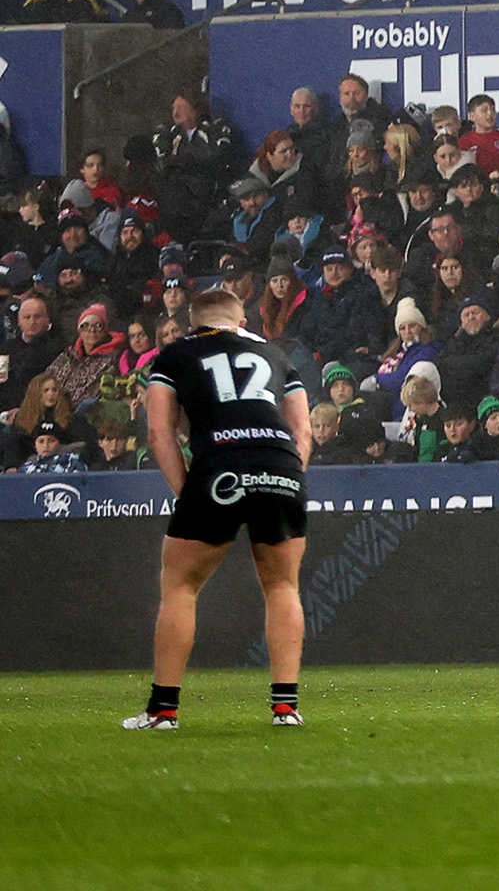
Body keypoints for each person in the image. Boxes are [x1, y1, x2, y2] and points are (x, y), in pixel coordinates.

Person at [129, 274, 312, 732]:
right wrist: (285, 477)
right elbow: (303, 432)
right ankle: (285, 708)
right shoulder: (277, 355)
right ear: (241, 321)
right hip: (281, 465)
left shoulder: (173, 355)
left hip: (219, 466)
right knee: (282, 585)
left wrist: (187, 491)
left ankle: (163, 712)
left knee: (181, 584)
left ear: (193, 325)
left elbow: (158, 432)